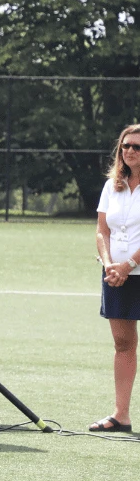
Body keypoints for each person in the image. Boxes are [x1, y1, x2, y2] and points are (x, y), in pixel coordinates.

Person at [90, 124, 140, 433]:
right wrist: (110, 264)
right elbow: (101, 230)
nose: (131, 151)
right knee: (123, 343)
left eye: (137, 146)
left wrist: (129, 264)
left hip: (131, 269)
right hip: (116, 274)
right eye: (126, 146)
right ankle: (121, 415)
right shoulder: (113, 185)